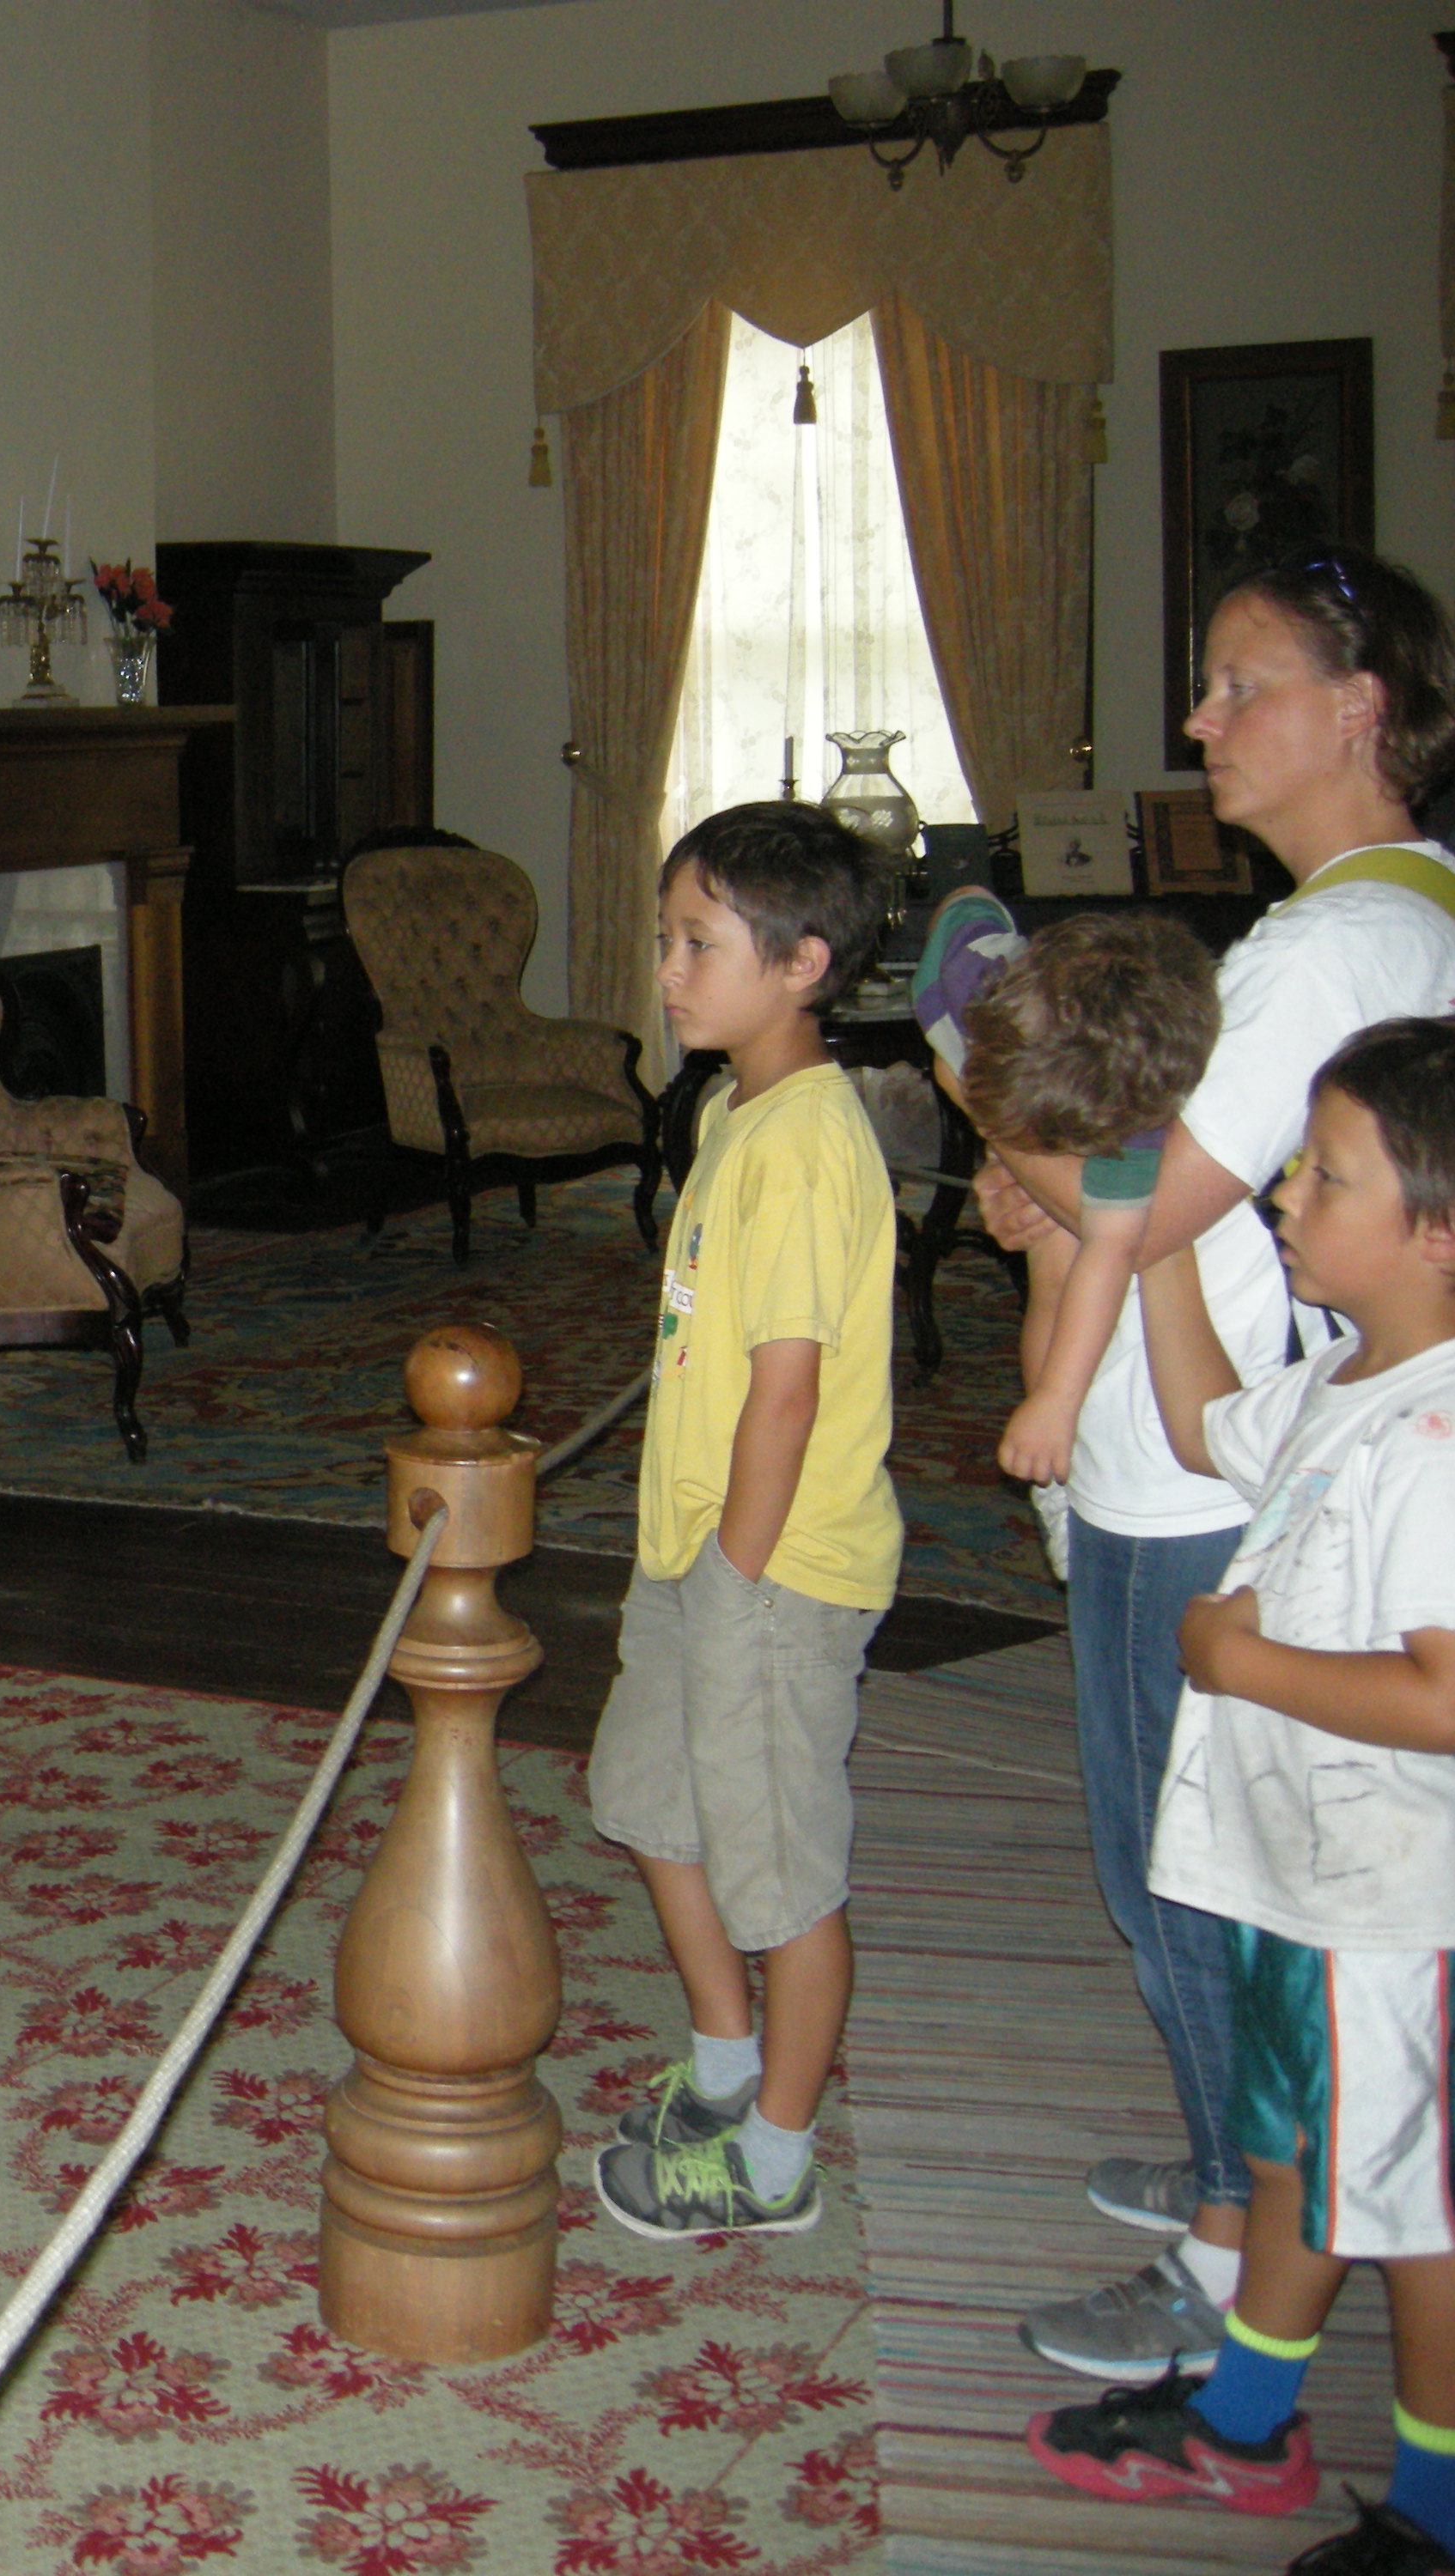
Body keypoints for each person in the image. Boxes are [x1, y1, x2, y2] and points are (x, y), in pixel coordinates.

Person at [984, 548, 1455, 2385]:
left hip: (1192, 1477)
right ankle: (1224, 2168)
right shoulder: (1396, 915)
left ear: (1356, 707)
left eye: (1234, 682)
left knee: (1177, 1861)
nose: (1196, 719)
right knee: (1196, 1860)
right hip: (1222, 1428)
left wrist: (1003, 1108)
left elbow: (1144, 1182)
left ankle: (1217, 2250)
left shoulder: (1332, 940)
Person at [1026, 1015, 1455, 2576]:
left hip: (1392, 1919)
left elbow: (1448, 1696)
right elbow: (1213, 1420)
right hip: (1301, 1890)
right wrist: (1148, 1254)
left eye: (1325, 1176)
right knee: (1288, 2158)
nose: (1284, 1191)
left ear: (1438, 1230)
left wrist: (1235, 1660)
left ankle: (1434, 2512)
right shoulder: (1354, 1376)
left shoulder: (1443, 1436)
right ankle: (1251, 2417)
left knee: (1413, 2219)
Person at [588, 802, 899, 2239]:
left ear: (804, 965)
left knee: (780, 1873)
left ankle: (774, 2158)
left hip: (766, 1573)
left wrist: (737, 1571)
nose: (668, 971)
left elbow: (787, 1391)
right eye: (666, 939)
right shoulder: (731, 1110)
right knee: (652, 1802)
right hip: (696, 1553)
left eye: (699, 944)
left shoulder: (809, 1145)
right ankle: (725, 2059)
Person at [912, 896, 1221, 1491]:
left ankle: (1055, 1441)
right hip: (984, 1039)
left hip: (1081, 1086)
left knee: (1062, 1260)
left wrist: (1058, 1400)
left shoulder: (1138, 1131)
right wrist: (980, 1101)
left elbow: (1110, 1251)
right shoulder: (966, 979)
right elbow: (962, 903)